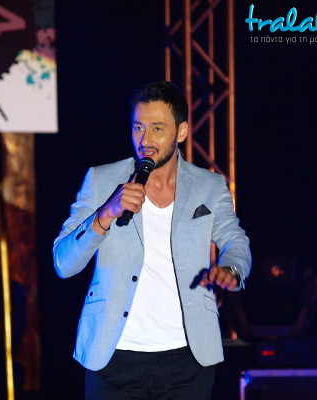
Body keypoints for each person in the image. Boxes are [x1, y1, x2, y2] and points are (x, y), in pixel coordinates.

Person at [53, 81, 251, 399]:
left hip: (188, 357)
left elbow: (235, 241)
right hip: (114, 356)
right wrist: (105, 214)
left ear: (181, 132)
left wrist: (230, 269)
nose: (145, 140)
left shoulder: (209, 186)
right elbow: (64, 263)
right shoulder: (102, 180)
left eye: (157, 128)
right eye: (138, 127)